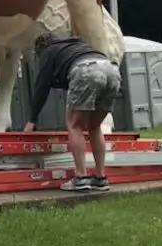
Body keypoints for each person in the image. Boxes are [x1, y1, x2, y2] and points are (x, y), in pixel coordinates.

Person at [23, 32, 122, 192]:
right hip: (112, 70)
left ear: (40, 48)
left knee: (74, 125)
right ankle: (100, 178)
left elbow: (42, 86)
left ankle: (81, 178)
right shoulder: (74, 45)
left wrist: (32, 120)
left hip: (86, 70)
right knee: (94, 127)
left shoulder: (48, 50)